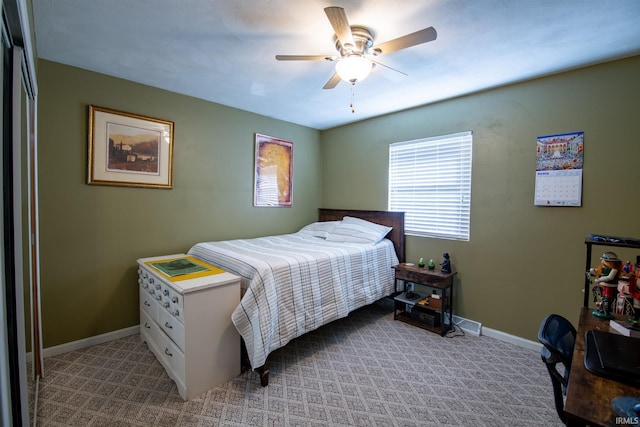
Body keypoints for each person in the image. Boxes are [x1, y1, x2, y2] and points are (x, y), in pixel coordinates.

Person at [590, 251, 622, 319]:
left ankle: (606, 310)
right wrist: (593, 271)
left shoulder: (614, 269)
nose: (602, 262)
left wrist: (599, 280)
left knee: (607, 298)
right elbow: (598, 272)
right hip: (604, 285)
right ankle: (601, 309)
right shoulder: (604, 268)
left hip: (610, 286)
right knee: (603, 297)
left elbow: (609, 277)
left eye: (604, 261)